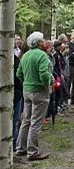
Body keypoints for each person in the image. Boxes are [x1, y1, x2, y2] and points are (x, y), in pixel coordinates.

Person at [15, 32, 52, 161]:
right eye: (42, 40)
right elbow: (44, 74)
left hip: (27, 90)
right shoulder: (41, 55)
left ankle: (20, 148)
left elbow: (19, 73)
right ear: (38, 43)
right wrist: (47, 87)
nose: (44, 42)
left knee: (26, 120)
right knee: (36, 122)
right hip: (39, 91)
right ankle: (32, 152)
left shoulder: (25, 56)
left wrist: (26, 82)